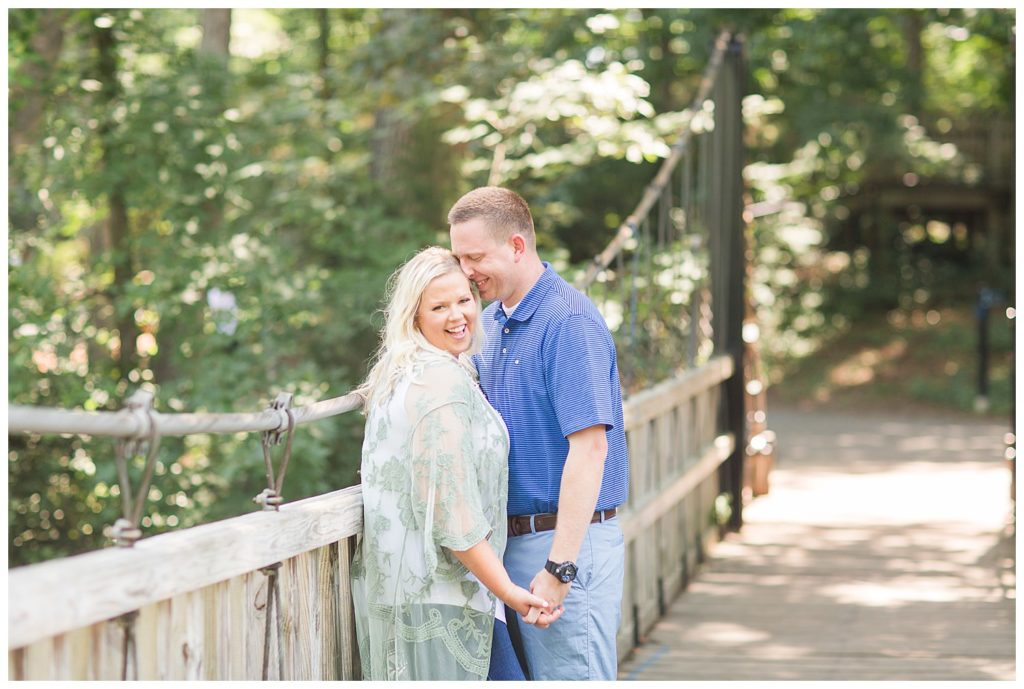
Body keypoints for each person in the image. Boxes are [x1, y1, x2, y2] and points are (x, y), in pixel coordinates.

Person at [350, 246, 558, 681]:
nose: (457, 315)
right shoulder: (440, 383)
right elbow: (452, 514)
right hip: (446, 598)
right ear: (415, 317)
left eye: (464, 299)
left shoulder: (412, 372)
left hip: (419, 593)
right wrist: (512, 593)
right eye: (438, 306)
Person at [448, 187, 629, 680]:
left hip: (564, 544)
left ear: (517, 246)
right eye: (458, 258)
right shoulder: (487, 324)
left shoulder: (568, 321)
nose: (465, 271)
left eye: (475, 257)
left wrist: (559, 570)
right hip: (505, 553)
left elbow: (590, 449)